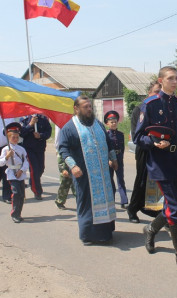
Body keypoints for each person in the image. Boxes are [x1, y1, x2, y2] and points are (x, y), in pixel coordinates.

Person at [134, 66, 177, 272]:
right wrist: (153, 142)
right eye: (170, 78)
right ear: (161, 80)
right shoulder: (150, 104)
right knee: (175, 208)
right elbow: (138, 138)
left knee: (173, 207)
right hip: (160, 164)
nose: (175, 82)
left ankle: (151, 229)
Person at [58, 95, 118, 245]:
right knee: (87, 204)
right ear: (76, 109)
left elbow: (108, 142)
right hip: (84, 174)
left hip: (103, 173)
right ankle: (88, 235)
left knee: (105, 200)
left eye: (90, 106)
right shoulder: (69, 128)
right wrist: (73, 166)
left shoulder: (98, 124)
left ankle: (106, 233)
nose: (89, 109)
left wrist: (113, 158)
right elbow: (63, 149)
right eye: (85, 107)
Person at [127, 80, 161, 222]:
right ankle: (133, 209)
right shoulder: (139, 109)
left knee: (160, 183)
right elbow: (136, 136)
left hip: (160, 152)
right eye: (156, 92)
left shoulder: (163, 109)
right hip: (144, 150)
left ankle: (161, 216)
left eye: (161, 93)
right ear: (149, 93)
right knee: (142, 182)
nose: (158, 95)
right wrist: (153, 140)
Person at [0, 122, 29, 223]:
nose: (15, 139)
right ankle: (14, 213)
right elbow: (0, 163)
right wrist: (7, 156)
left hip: (20, 173)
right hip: (12, 174)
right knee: (16, 193)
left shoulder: (21, 149)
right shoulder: (5, 149)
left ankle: (19, 213)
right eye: (13, 137)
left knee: (21, 195)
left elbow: (26, 162)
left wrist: (21, 170)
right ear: (8, 138)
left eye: (17, 137)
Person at [20, 114, 52, 200]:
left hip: (40, 148)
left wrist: (41, 135)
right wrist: (30, 124)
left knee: (41, 169)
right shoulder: (24, 119)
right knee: (34, 169)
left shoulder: (43, 118)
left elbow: (48, 132)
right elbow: (21, 133)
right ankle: (37, 191)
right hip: (29, 149)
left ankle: (33, 181)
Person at [104, 110, 128, 208]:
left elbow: (122, 148)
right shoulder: (105, 134)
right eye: (111, 122)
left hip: (119, 158)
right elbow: (105, 148)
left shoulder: (121, 134)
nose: (114, 124)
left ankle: (124, 201)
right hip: (109, 159)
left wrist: (120, 159)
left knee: (120, 180)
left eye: (115, 122)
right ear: (107, 123)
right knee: (110, 180)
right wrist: (109, 160)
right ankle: (111, 200)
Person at [54, 124, 76, 210]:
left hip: (75, 165)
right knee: (65, 185)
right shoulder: (63, 144)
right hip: (66, 166)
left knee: (76, 185)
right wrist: (63, 169)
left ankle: (80, 200)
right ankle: (59, 201)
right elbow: (60, 158)